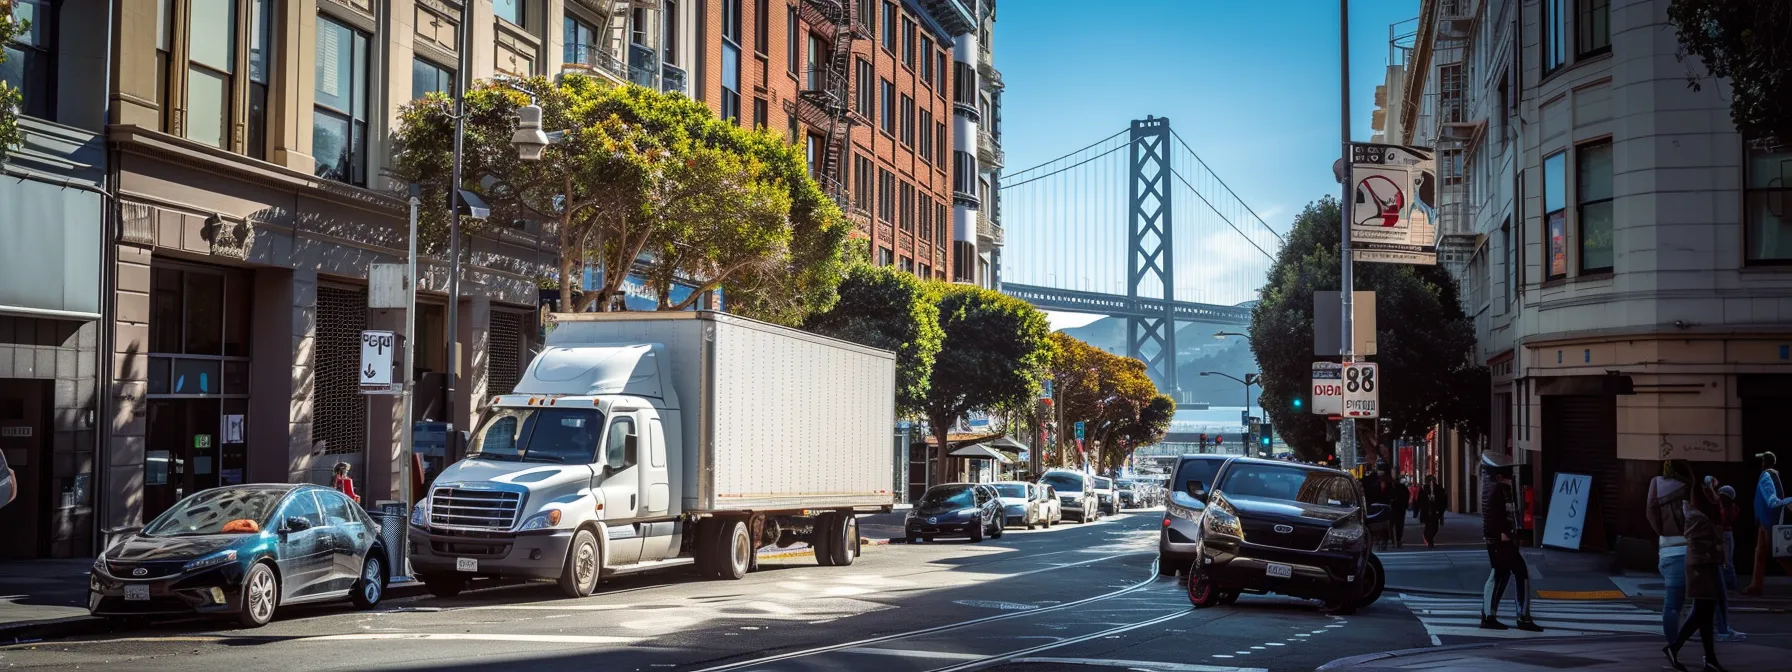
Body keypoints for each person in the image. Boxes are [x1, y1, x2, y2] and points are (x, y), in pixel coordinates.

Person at [1664, 479, 1730, 672]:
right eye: (1710, 493)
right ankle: (1675, 648)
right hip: (1701, 572)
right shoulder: (1697, 518)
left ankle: (1709, 659)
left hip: (1704, 570)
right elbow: (1700, 549)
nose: (1714, 496)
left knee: (1704, 617)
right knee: (1702, 615)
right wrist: (1717, 552)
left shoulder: (1699, 516)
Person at [1479, 451, 1541, 631]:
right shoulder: (1497, 489)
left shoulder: (1493, 487)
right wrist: (1504, 533)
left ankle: (1490, 615)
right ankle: (1521, 616)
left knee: (1501, 574)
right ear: (1497, 474)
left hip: (1498, 538)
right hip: (1500, 539)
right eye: (1504, 474)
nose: (1507, 477)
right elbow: (1496, 515)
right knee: (1514, 573)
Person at [1648, 460, 1693, 643]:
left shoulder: (1655, 483)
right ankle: (1679, 642)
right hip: (1687, 548)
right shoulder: (1688, 485)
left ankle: (1673, 641)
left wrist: (1661, 531)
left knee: (1672, 602)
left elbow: (1650, 512)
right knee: (1697, 601)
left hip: (1666, 549)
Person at [1743, 452, 1792, 595]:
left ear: (1765, 462)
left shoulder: (1767, 476)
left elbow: (1772, 500)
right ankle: (1755, 585)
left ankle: (1755, 586)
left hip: (1768, 520)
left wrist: (1788, 502)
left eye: (1762, 460)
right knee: (1761, 552)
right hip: (1764, 520)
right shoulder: (1772, 475)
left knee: (1779, 554)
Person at [1705, 478, 1745, 641]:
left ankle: (1731, 588)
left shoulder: (1725, 509)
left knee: (1727, 564)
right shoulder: (1730, 507)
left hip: (1724, 536)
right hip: (1724, 536)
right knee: (1727, 564)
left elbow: (1720, 517)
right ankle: (1731, 588)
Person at [1416, 475, 1448, 548]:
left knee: (1435, 527)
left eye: (1432, 481)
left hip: (1436, 510)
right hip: (1427, 510)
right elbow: (1420, 500)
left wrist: (1441, 509)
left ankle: (1429, 538)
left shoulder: (1439, 489)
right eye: (1429, 481)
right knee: (1428, 525)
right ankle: (1430, 540)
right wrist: (1418, 510)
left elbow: (1443, 500)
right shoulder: (1424, 489)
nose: (1431, 482)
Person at [1389, 474, 1411, 548]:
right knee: (1394, 524)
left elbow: (1407, 495)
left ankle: (1397, 539)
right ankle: (1395, 539)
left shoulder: (1401, 487)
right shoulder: (1390, 487)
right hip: (1395, 508)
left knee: (1398, 524)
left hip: (1399, 508)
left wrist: (1405, 504)